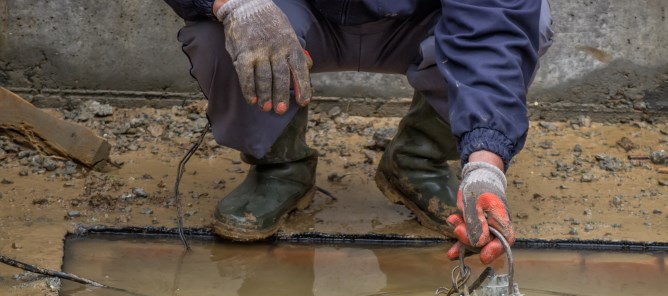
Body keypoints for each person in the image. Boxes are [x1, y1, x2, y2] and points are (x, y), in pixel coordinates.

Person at [162, 0, 552, 264]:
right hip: (289, 11)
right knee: (219, 31)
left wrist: (485, 164)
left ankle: (419, 159)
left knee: (531, 25)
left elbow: (493, 25)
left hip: (419, 20)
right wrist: (235, 4)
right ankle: (280, 167)